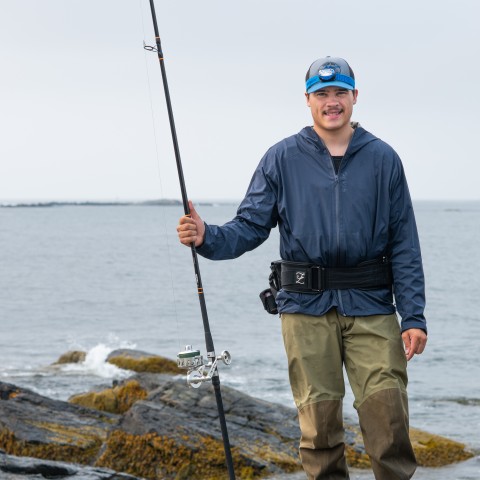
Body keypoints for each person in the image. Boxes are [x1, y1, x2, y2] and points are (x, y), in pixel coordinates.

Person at [177, 56, 427, 480]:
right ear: (308, 100)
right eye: (322, 94)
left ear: (354, 97)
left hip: (372, 307)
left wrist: (414, 315)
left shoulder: (384, 159)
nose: (332, 102)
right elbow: (250, 226)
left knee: (388, 423)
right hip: (304, 309)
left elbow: (404, 243)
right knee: (320, 428)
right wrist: (207, 237)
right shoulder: (281, 158)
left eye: (340, 93)